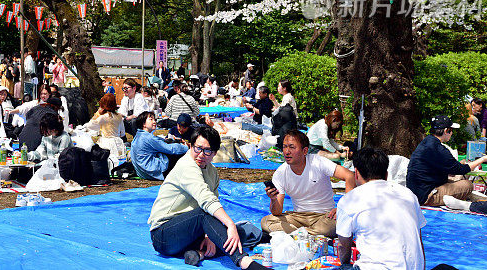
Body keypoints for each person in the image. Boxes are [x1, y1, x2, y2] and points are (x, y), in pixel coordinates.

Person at [148, 125, 268, 270]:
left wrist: (209, 235)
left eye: (207, 151)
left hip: (190, 233)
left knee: (237, 234)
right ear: (190, 146)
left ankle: (198, 253)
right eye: (197, 148)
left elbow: (213, 204)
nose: (200, 154)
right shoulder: (187, 166)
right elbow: (206, 200)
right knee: (214, 220)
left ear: (214, 153)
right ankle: (244, 262)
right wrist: (229, 225)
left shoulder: (212, 172)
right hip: (164, 236)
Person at [335, 147, 425, 270]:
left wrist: (344, 265)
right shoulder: (408, 194)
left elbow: (343, 246)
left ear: (356, 173)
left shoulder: (350, 199)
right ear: (387, 174)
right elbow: (418, 241)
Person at [261, 129, 355, 237]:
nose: (286, 151)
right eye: (284, 146)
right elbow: (277, 212)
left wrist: (343, 208)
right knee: (266, 221)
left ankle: (298, 234)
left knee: (329, 228)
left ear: (305, 151)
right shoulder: (280, 173)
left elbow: (349, 176)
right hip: (297, 217)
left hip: (324, 217)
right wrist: (273, 199)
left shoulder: (318, 162)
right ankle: (306, 234)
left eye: (292, 147)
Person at [406, 115, 487, 206]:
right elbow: (461, 170)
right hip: (426, 196)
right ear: (446, 131)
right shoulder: (439, 149)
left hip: (415, 191)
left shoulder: (426, 142)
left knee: (455, 179)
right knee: (468, 185)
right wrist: (483, 159)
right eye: (451, 130)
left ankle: (468, 196)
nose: (452, 133)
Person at [131, 111, 189, 181]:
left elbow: (158, 140)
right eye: (151, 119)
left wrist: (167, 140)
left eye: (154, 119)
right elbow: (170, 149)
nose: (154, 122)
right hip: (152, 172)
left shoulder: (139, 135)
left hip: (142, 172)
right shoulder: (148, 138)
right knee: (177, 153)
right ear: (144, 124)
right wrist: (186, 147)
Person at [84, 93, 126, 159]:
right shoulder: (119, 116)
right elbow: (122, 133)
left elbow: (90, 126)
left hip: (106, 144)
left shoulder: (102, 117)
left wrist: (97, 113)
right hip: (119, 144)